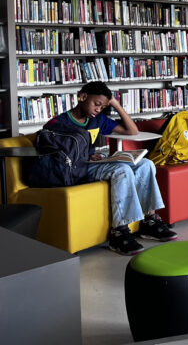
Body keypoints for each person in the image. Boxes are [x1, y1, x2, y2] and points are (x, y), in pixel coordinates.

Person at [43, 81, 176, 255]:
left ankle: (149, 221)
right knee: (122, 170)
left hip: (92, 164)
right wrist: (84, 156)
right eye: (96, 104)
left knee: (146, 164)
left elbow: (132, 131)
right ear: (82, 97)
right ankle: (119, 232)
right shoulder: (59, 122)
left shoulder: (98, 119)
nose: (98, 109)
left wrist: (114, 103)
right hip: (75, 169)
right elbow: (49, 147)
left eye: (102, 107)